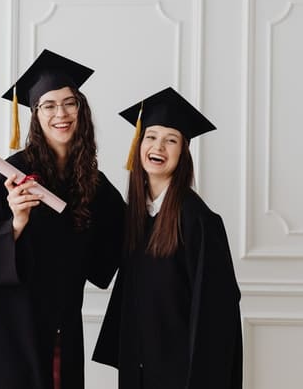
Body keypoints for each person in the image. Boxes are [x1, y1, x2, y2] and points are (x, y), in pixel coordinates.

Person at [0, 49, 126, 389]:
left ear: (81, 110)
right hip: (12, 328)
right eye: (49, 105)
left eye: (70, 103)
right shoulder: (9, 177)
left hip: (63, 325)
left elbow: (112, 251)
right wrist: (16, 222)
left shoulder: (95, 184)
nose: (61, 113)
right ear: (35, 115)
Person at [93, 87, 242, 388]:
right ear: (138, 144)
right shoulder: (136, 216)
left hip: (182, 374)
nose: (158, 145)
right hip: (139, 368)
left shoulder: (198, 221)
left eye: (170, 140)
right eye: (150, 136)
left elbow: (217, 316)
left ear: (183, 152)